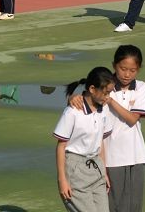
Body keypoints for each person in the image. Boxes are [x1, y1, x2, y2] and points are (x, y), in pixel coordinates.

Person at [67, 45, 145, 212]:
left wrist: (111, 101)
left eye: (133, 70)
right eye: (123, 68)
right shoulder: (104, 89)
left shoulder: (141, 88)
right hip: (110, 158)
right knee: (112, 205)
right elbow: (86, 96)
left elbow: (133, 119)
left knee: (134, 206)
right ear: (114, 66)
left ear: (139, 69)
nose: (127, 74)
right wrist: (73, 97)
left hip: (136, 156)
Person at [53, 66, 115, 212]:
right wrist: (62, 180)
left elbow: (100, 142)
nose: (108, 97)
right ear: (92, 89)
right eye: (106, 93)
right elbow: (61, 146)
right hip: (75, 171)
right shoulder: (72, 111)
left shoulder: (104, 109)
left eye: (110, 93)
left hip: (96, 168)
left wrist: (103, 172)